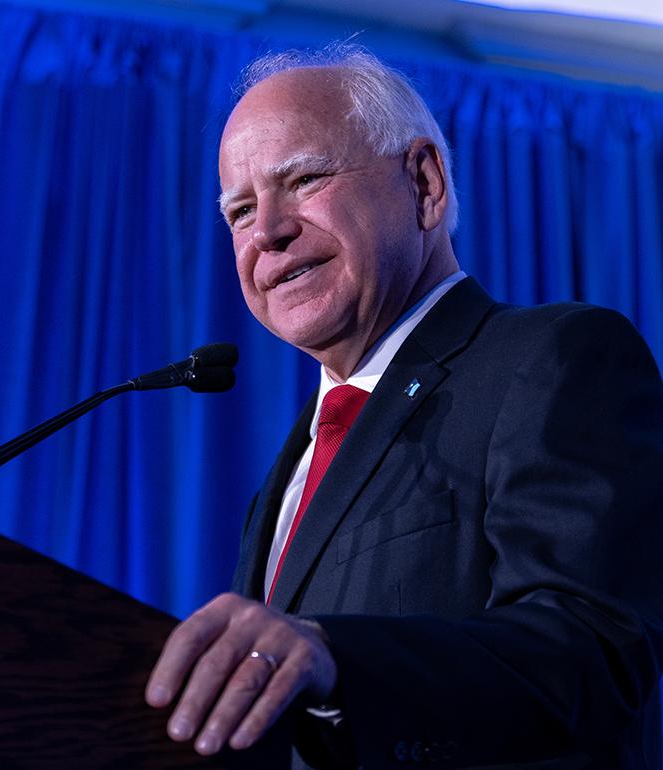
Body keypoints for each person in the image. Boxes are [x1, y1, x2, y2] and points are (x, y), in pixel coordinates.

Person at [145, 44, 663, 769]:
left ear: (423, 183)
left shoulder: (555, 358)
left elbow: (592, 648)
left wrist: (339, 659)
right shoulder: (285, 478)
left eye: (304, 178)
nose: (266, 231)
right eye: (239, 211)